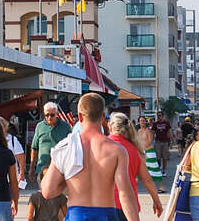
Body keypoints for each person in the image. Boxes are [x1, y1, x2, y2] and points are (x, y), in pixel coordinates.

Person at [41, 93, 139, 221]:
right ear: (104, 117)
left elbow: (48, 191)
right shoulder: (117, 150)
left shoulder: (65, 147)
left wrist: (68, 180)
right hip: (107, 215)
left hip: (77, 215)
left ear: (80, 117)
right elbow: (125, 194)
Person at [107, 113, 163, 221]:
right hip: (130, 207)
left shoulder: (101, 146)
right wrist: (157, 201)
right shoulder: (135, 149)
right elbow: (147, 180)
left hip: (105, 206)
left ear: (110, 126)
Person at [30, 103, 71, 182]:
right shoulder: (40, 126)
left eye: (52, 115)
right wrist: (32, 168)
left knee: (58, 193)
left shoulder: (65, 126)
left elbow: (71, 148)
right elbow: (34, 148)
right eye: (47, 115)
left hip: (60, 168)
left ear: (57, 114)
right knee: (44, 193)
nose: (49, 117)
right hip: (42, 167)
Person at [0, 116, 26, 186]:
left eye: (0, 126)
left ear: (5, 127)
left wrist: (21, 174)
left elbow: (21, 158)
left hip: (10, 179)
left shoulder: (12, 140)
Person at [152, 111, 172, 192]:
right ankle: (160, 167)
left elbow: (169, 132)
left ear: (163, 116)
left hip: (165, 142)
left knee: (165, 157)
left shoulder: (166, 123)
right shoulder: (155, 124)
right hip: (158, 142)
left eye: (160, 115)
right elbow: (153, 132)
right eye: (158, 116)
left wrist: (170, 141)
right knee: (158, 157)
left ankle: (164, 170)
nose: (159, 117)